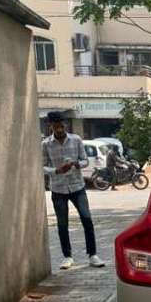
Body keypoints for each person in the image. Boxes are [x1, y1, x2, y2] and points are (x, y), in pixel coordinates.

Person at [42, 112, 105, 270]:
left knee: (86, 219)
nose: (60, 129)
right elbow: (42, 166)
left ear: (65, 125)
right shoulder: (46, 144)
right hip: (58, 188)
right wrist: (56, 170)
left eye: (62, 126)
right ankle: (67, 257)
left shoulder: (76, 140)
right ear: (51, 126)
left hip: (77, 186)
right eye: (56, 126)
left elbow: (84, 160)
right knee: (62, 224)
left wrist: (77, 164)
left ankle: (92, 255)